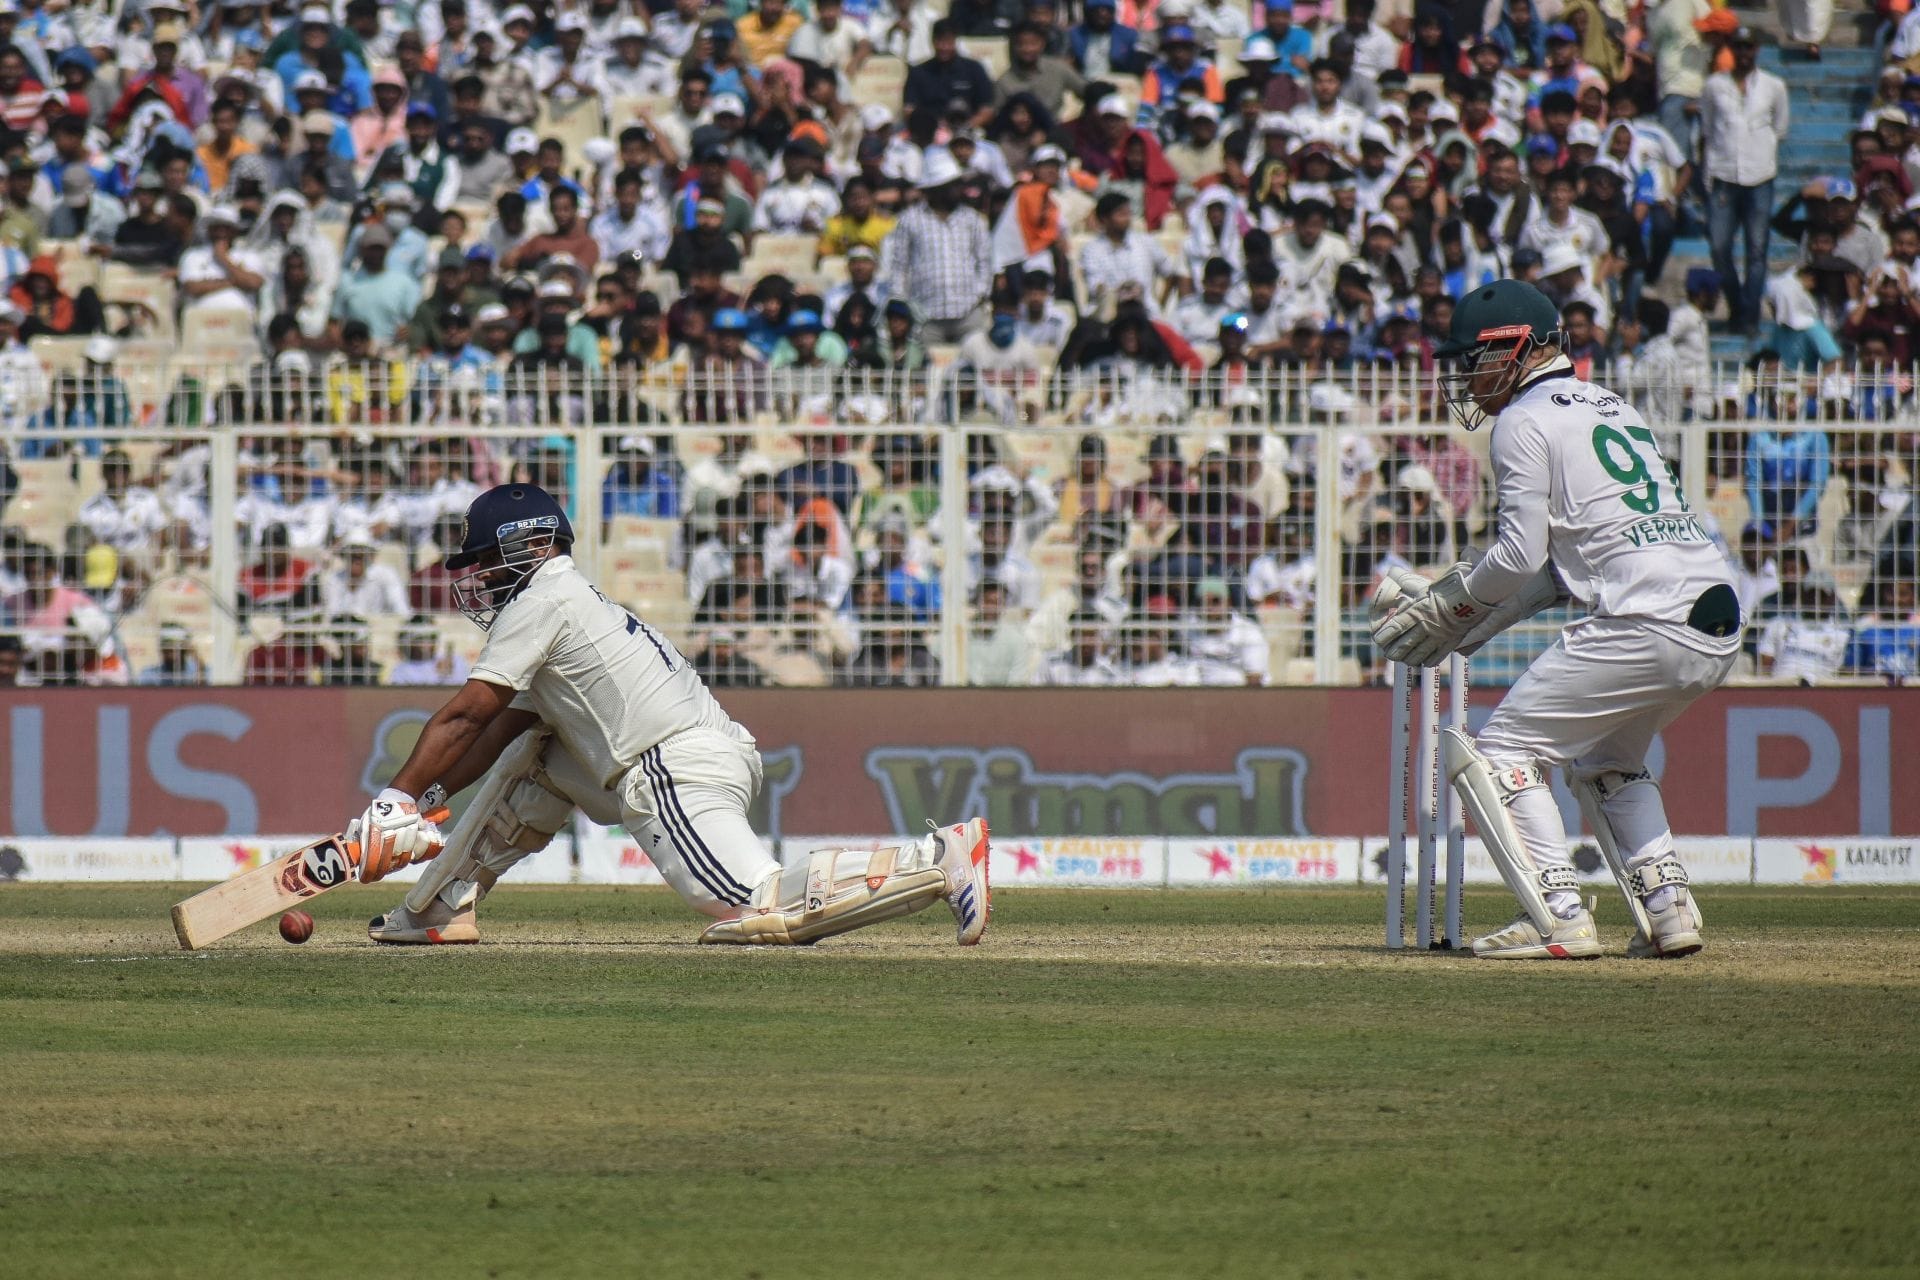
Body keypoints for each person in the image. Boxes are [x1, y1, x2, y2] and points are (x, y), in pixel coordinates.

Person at [356, 483, 991, 949]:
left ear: (535, 544)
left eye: (488, 560)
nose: (483, 578)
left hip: (672, 766)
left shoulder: (545, 595)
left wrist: (393, 801)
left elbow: (466, 715)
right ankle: (436, 906)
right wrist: (426, 801)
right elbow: (497, 733)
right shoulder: (567, 606)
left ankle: (940, 854)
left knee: (756, 906)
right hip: (686, 752)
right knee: (537, 762)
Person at [1372, 280, 1742, 961]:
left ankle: (1558, 916)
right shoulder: (1610, 405)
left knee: (1505, 750)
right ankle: (1669, 909)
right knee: (1608, 761)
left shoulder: (1522, 420)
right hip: (1713, 617)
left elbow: (1518, 556)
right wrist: (1466, 614)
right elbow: (1557, 568)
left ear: (1520, 347)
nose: (1467, 375)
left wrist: (1450, 607)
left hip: (1642, 617)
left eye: (1475, 357)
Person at [1699, 27, 1787, 335]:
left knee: (1757, 249)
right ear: (1732, 49)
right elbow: (1707, 131)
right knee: (1720, 247)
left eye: (1749, 47)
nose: (1744, 53)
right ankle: (1737, 305)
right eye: (1739, 47)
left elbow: (1780, 128)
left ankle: (1749, 316)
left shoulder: (1773, 86)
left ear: (1757, 50)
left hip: (1760, 175)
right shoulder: (1714, 85)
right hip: (1724, 175)